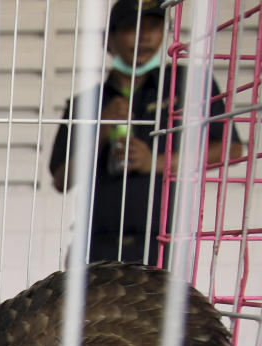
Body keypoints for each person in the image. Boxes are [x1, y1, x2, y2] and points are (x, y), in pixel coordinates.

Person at [49, 0, 243, 265]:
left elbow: (230, 150)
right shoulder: (86, 102)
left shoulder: (188, 84)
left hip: (165, 246)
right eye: (132, 27)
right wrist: (101, 129)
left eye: (153, 26)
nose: (144, 36)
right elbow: (61, 179)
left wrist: (156, 161)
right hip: (96, 247)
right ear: (109, 39)